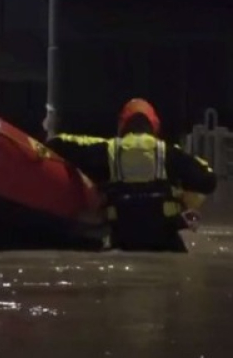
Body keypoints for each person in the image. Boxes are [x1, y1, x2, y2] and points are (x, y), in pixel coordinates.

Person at [45, 98, 217, 252]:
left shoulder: (107, 149)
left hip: (123, 238)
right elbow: (208, 181)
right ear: (154, 125)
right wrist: (184, 198)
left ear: (122, 125)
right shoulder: (170, 153)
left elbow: (59, 144)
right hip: (165, 238)